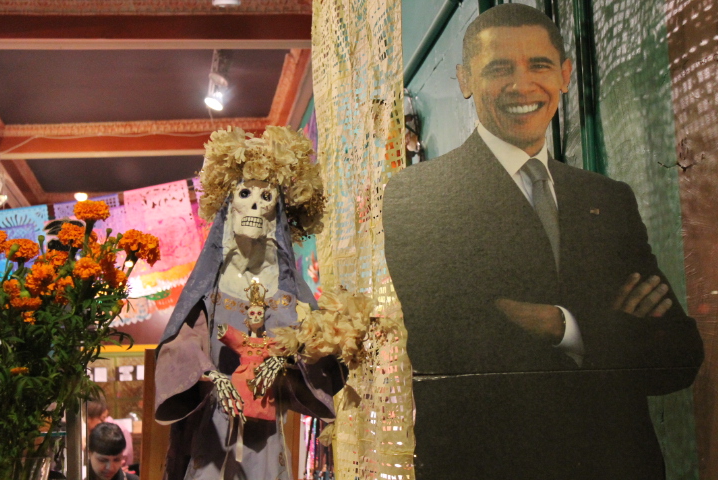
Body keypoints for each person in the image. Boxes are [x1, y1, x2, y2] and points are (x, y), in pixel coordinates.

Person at [382, 4, 704, 479]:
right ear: (465, 79)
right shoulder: (418, 195)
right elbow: (453, 348)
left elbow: (678, 356)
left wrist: (559, 325)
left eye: (539, 65)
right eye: (499, 69)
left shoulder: (608, 198)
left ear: (565, 75)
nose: (523, 85)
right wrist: (612, 330)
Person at [154, 127, 343, 480]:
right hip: (213, 420)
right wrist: (212, 374)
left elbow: (314, 347)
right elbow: (184, 341)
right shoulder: (211, 287)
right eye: (245, 193)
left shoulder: (287, 293)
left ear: (277, 210)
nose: (255, 205)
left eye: (266, 196)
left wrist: (285, 360)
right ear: (229, 206)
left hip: (264, 422)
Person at [86, 397, 134, 469]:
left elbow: (126, 464)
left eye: (104, 418)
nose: (104, 422)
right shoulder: (82, 432)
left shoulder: (119, 432)